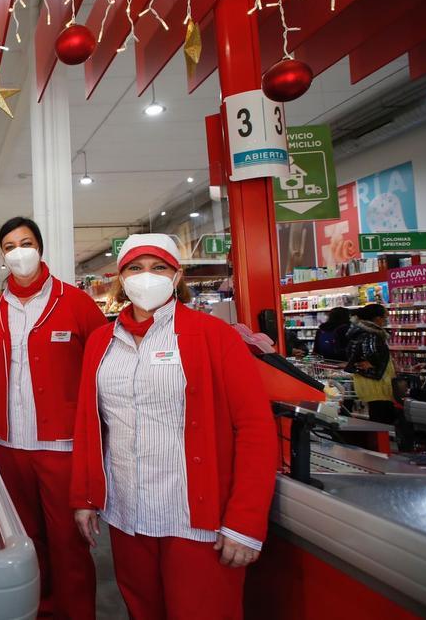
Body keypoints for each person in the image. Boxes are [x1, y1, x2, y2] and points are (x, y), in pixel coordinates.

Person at [70, 234, 278, 620]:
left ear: (176, 274)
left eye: (158, 268)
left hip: (195, 518)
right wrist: (84, 497)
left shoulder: (213, 336)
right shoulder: (102, 342)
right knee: (142, 609)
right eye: (135, 268)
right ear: (120, 278)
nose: (146, 277)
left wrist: (245, 521)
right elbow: (91, 426)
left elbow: (255, 430)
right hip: (127, 512)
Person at [0, 216, 107, 620]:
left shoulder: (76, 303)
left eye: (25, 242)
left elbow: (103, 370)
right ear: (2, 256)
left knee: (70, 543)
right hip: (10, 448)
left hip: (63, 448)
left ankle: (77, 613)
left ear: (40, 248)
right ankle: (41, 611)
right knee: (25, 542)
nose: (18, 252)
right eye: (9, 246)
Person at [345, 303, 396, 424]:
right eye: (385, 317)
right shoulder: (372, 332)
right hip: (375, 380)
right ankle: (381, 438)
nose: (385, 320)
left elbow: (349, 351)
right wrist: (373, 362)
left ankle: (379, 437)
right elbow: (371, 351)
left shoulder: (358, 330)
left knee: (377, 411)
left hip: (366, 378)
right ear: (377, 318)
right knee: (381, 414)